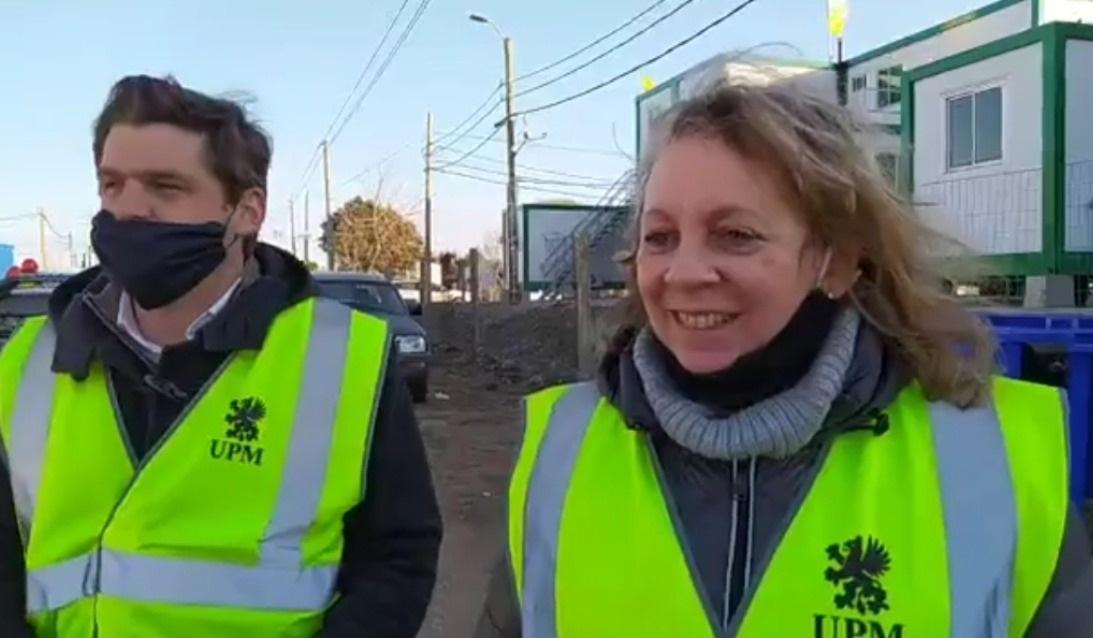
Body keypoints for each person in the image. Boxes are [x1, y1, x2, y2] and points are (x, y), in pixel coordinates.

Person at [476, 82, 1093, 637]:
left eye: (735, 235)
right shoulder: (563, 450)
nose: (684, 273)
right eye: (660, 237)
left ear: (838, 260)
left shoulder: (988, 462)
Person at [0, 75, 442, 637]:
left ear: (247, 211)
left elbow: (397, 556)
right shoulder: (28, 361)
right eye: (112, 185)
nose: (129, 210)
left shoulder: (342, 357)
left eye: (165, 186)